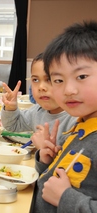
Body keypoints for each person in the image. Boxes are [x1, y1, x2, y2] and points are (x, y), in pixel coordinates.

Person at [30, 21, 97, 213]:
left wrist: (65, 198)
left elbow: (61, 194)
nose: (68, 90)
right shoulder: (81, 126)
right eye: (58, 80)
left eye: (82, 76)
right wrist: (46, 163)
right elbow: (58, 183)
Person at [1, 53, 77, 146]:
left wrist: (44, 149)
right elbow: (13, 125)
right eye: (35, 80)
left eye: (49, 79)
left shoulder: (75, 120)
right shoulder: (37, 111)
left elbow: (74, 159)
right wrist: (11, 108)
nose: (41, 87)